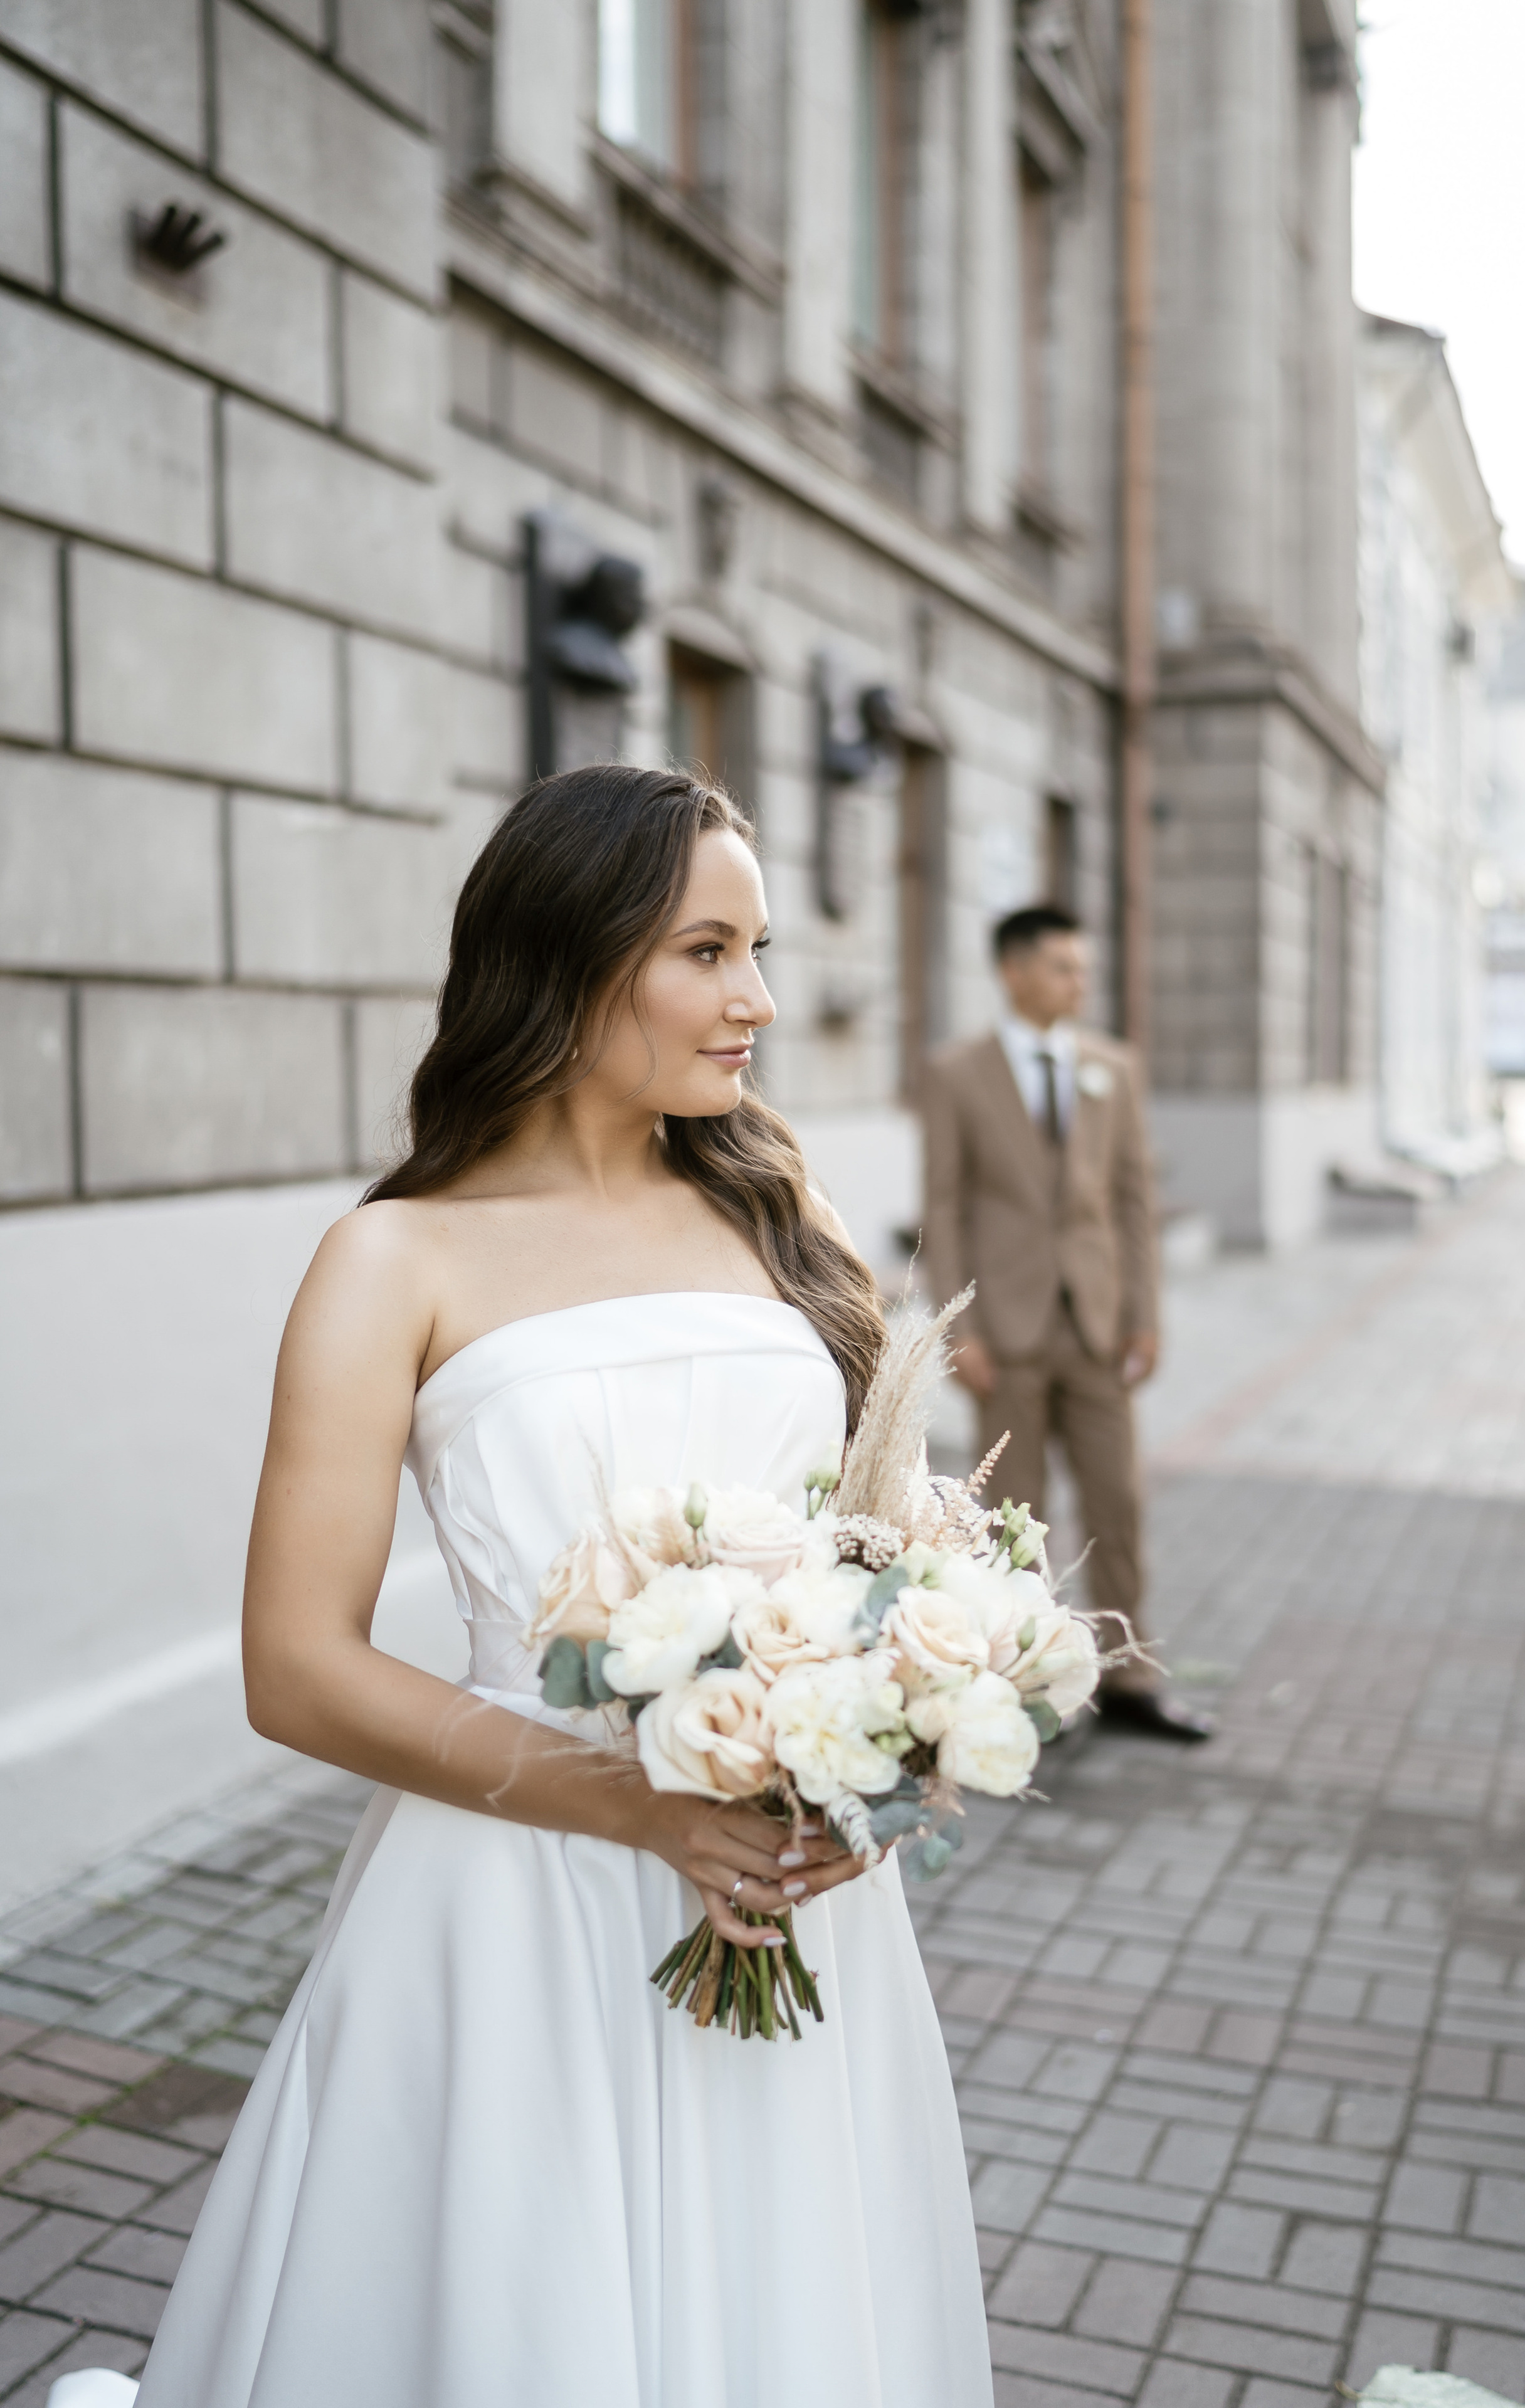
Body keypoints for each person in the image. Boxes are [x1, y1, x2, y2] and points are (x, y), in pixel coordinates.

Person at [61, 768, 993, 2408]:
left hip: (789, 1898)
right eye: (708, 949)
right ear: (569, 957)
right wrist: (641, 1808)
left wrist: (885, 1753)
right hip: (520, 1902)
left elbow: (883, 1539)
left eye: (758, 947)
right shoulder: (394, 1260)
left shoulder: (782, 1219)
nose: (757, 998)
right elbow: (294, 1666)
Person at [920, 904, 1211, 1744]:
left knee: (1118, 1500)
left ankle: (1127, 1681)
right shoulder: (956, 1073)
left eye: (1083, 969)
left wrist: (1144, 1317)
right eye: (1063, 967)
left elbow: (1132, 1200)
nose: (1080, 982)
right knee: (1014, 1517)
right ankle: (1028, 1687)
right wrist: (955, 1329)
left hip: (1096, 1326)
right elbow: (943, 1204)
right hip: (1005, 1331)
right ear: (1013, 971)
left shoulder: (1111, 1067)